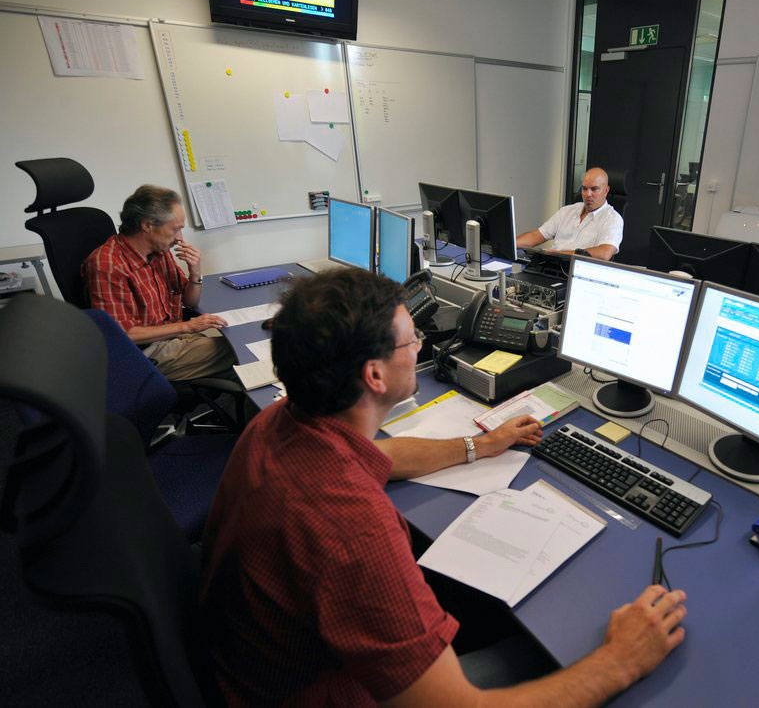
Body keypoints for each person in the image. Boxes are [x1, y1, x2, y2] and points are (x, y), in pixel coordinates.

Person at [200, 267, 688, 707]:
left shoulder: (281, 422)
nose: (419, 349)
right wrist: (622, 660)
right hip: (322, 694)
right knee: (550, 652)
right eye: (412, 340)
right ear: (374, 375)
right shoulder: (351, 528)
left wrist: (482, 445)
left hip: (253, 665)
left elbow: (378, 457)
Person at [82, 185, 235, 381]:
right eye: (176, 229)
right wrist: (188, 327)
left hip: (173, 336)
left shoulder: (160, 251)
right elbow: (122, 335)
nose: (180, 238)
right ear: (147, 225)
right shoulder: (108, 266)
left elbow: (191, 303)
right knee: (239, 351)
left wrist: (195, 272)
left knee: (237, 344)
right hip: (145, 353)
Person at [515, 167, 622, 260]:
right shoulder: (567, 211)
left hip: (577, 272)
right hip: (550, 266)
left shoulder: (612, 219)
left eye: (594, 189)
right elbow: (537, 235)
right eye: (584, 189)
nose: (588, 194)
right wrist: (509, 244)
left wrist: (558, 255)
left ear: (606, 190)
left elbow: (604, 253)